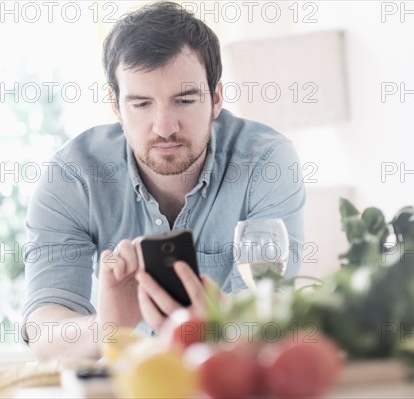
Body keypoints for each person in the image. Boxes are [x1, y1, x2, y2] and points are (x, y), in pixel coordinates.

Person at [21, 1, 305, 360]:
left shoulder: (267, 162)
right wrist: (108, 327)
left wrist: (218, 325)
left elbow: (267, 316)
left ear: (215, 99)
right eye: (141, 104)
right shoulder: (73, 174)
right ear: (116, 106)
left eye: (184, 100)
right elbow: (42, 332)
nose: (164, 127)